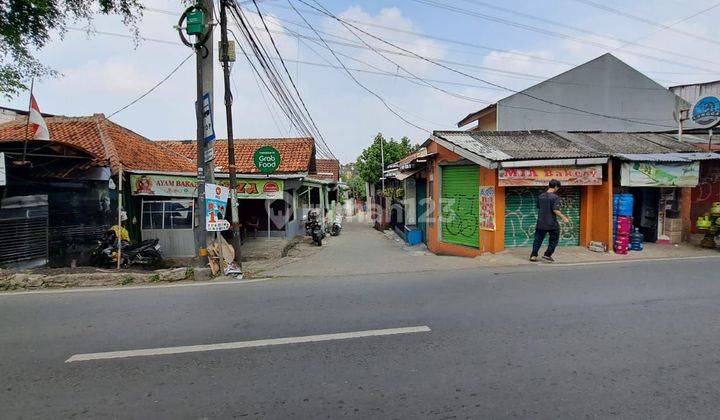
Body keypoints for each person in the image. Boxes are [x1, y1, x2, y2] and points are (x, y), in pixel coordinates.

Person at [530, 179, 570, 262]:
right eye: (558, 188)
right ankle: (547, 254)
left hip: (541, 222)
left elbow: (538, 207)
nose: (557, 189)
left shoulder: (540, 196)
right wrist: (564, 217)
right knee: (554, 239)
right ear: (555, 187)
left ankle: (533, 256)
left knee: (538, 239)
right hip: (551, 223)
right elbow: (555, 210)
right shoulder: (555, 197)